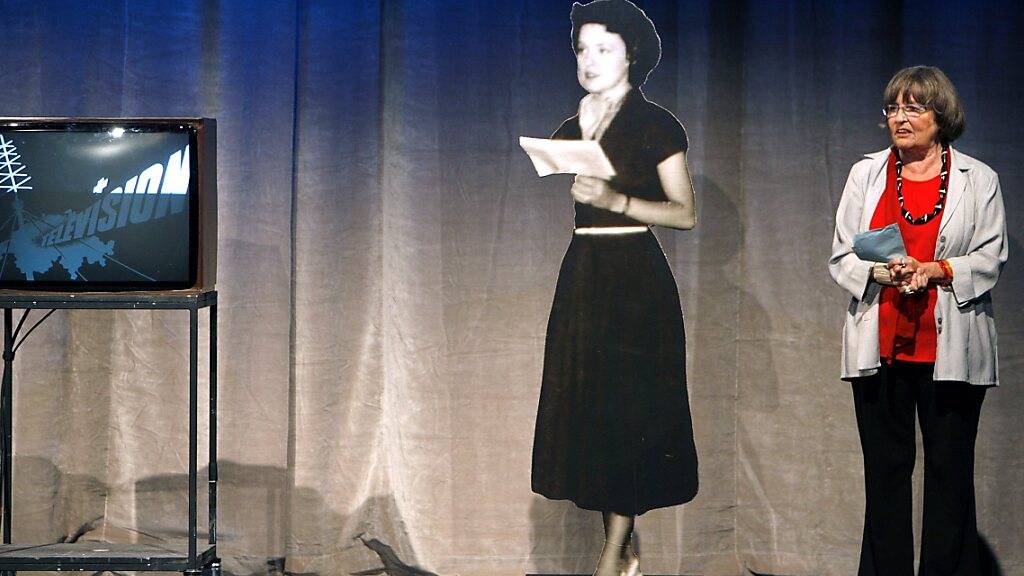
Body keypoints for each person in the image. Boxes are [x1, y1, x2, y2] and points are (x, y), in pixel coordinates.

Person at [530, 1, 699, 575]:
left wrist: (617, 200)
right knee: (592, 410)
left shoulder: (656, 124)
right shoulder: (572, 122)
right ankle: (623, 550)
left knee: (631, 410)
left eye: (604, 48)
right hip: (584, 274)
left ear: (632, 54)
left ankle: (612, 553)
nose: (590, 60)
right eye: (583, 48)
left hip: (635, 278)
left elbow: (684, 213)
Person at [828, 65, 1007, 575]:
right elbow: (843, 256)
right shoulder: (866, 174)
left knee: (950, 479)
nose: (900, 118)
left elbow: (991, 258)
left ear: (941, 115)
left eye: (913, 107)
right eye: (893, 108)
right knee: (884, 476)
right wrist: (885, 271)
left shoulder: (979, 179)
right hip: (881, 343)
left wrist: (937, 270)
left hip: (950, 347)